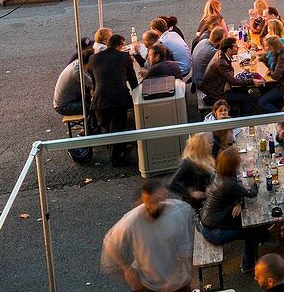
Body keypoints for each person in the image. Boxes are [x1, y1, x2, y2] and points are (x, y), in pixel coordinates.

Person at [100, 179, 195, 292]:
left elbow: (185, 250)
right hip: (147, 285)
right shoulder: (132, 220)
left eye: (155, 202)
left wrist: (175, 278)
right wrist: (126, 268)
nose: (151, 207)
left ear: (164, 197)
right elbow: (110, 242)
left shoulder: (180, 212)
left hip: (178, 285)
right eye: (147, 202)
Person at [200, 147, 266, 274]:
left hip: (206, 222)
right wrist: (255, 181)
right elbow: (251, 193)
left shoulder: (220, 175)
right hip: (214, 232)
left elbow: (237, 191)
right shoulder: (229, 183)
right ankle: (248, 264)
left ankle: (264, 238)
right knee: (251, 229)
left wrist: (238, 202)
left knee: (249, 225)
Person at [89, 31, 139, 166]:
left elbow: (94, 82)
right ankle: (116, 159)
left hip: (100, 99)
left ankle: (114, 151)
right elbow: (132, 78)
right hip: (118, 97)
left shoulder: (93, 58)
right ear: (119, 45)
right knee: (117, 129)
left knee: (106, 127)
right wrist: (136, 92)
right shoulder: (124, 56)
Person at [202, 36, 263, 116]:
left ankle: (244, 114)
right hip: (216, 93)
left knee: (244, 89)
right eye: (235, 46)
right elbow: (233, 81)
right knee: (246, 97)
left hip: (217, 87)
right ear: (229, 50)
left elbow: (230, 76)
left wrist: (230, 80)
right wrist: (252, 81)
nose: (237, 47)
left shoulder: (222, 54)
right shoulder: (221, 63)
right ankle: (247, 121)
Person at [167, 132, 214, 209]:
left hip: (204, 201)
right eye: (209, 143)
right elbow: (172, 184)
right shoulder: (189, 163)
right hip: (195, 205)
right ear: (201, 147)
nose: (211, 145)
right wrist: (191, 193)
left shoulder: (206, 159)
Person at [257, 35, 284, 112]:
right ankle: (276, 103)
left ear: (272, 46)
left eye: (266, 45)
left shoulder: (283, 57)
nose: (265, 48)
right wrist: (263, 59)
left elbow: (276, 76)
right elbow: (272, 67)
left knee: (261, 102)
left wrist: (270, 71)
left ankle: (280, 117)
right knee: (261, 87)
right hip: (283, 81)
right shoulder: (276, 53)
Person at [53, 41, 94, 116]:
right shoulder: (77, 72)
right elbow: (93, 84)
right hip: (64, 106)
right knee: (94, 107)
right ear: (90, 62)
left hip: (71, 98)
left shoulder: (77, 63)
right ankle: (91, 127)